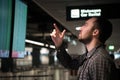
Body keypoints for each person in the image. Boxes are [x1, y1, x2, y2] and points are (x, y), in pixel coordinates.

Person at [50, 17, 117, 80]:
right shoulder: (89, 56)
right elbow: (69, 63)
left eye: (85, 25)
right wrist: (59, 45)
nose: (81, 28)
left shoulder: (99, 59)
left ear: (95, 32)